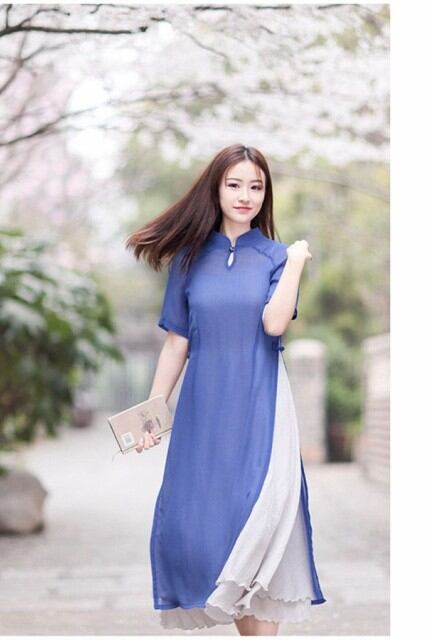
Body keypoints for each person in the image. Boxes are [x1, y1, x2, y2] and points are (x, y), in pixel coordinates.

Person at [125, 143, 326, 635]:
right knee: (200, 531)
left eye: (256, 187)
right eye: (234, 184)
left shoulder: (277, 258)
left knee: (259, 525)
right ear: (215, 189)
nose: (245, 195)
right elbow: (177, 342)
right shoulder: (189, 261)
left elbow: (275, 323)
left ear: (266, 194)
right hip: (203, 414)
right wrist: (152, 412)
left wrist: (295, 261)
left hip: (261, 408)